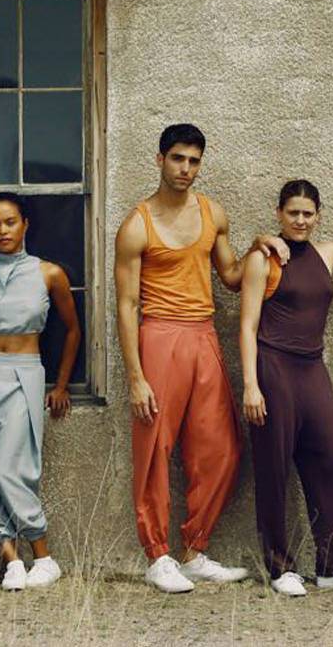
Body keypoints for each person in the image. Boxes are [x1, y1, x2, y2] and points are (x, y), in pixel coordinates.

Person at [114, 123, 288, 593]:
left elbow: (230, 275)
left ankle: (193, 550)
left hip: (203, 334)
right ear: (160, 159)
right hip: (159, 337)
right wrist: (135, 377)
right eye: (177, 158)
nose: (185, 169)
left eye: (193, 161)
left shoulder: (213, 213)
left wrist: (259, 244)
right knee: (154, 448)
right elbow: (126, 305)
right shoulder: (137, 225)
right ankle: (157, 555)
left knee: (222, 447)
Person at [240, 180, 333, 597]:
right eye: (293, 213)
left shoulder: (327, 254)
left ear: (318, 216)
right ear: (279, 213)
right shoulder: (262, 259)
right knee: (273, 468)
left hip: (311, 368)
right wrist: (251, 385)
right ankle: (280, 568)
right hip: (273, 367)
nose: (301, 220)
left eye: (308, 214)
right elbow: (247, 326)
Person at [0, 192, 82, 591]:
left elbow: (73, 329)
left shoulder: (49, 274)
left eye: (10, 222)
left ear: (25, 224)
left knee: (9, 467)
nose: (3, 231)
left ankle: (44, 556)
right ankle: (12, 561)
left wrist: (60, 384)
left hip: (24, 372)